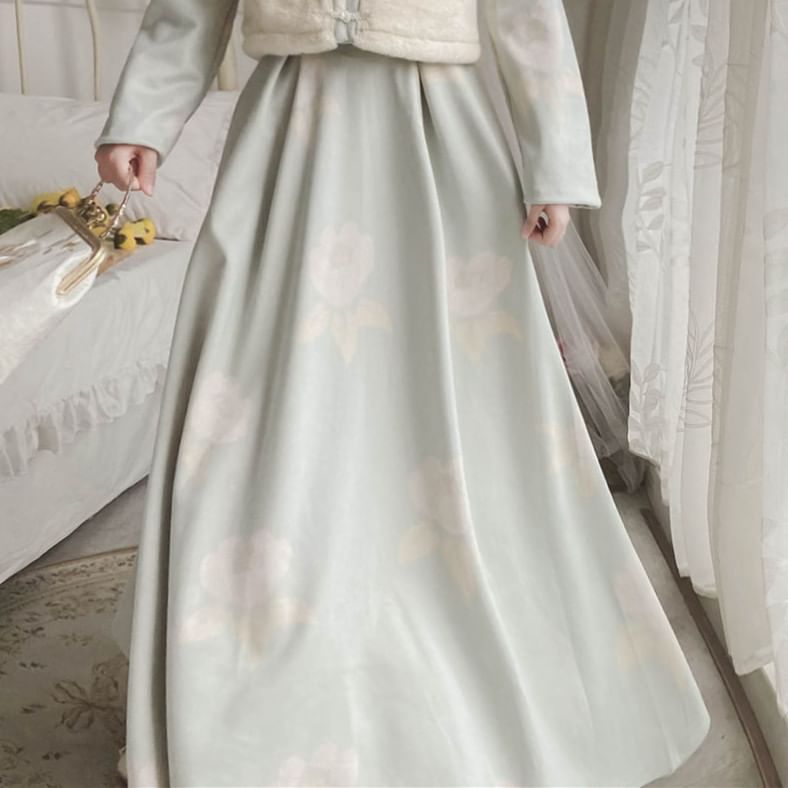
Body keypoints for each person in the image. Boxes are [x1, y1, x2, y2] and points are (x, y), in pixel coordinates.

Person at [94, 1, 711, 785]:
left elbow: (526, 15)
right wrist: (141, 119)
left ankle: (452, 621)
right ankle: (261, 627)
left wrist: (552, 162)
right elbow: (190, 8)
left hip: (439, 135)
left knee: (464, 397)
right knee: (248, 394)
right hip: (289, 133)